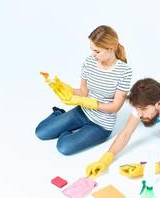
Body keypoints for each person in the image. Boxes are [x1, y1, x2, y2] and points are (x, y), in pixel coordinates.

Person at [35, 25, 132, 155]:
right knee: (41, 132)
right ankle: (59, 114)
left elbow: (115, 107)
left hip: (100, 125)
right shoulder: (89, 62)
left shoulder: (124, 71)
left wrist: (90, 103)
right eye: (92, 50)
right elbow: (83, 92)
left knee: (64, 147)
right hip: (82, 112)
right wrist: (64, 88)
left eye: (97, 51)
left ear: (111, 48)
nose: (93, 55)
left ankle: (66, 127)